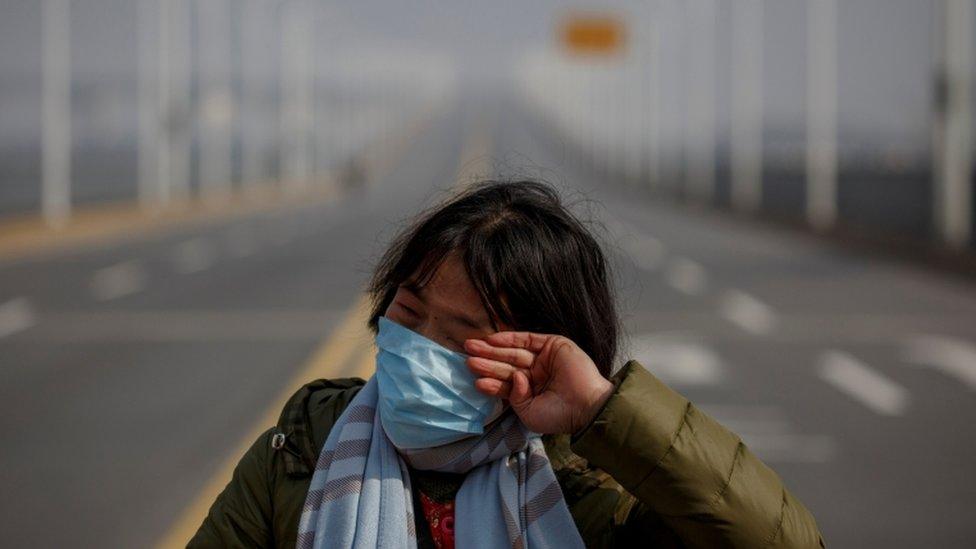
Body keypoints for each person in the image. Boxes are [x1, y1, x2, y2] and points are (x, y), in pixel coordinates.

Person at [188, 179, 825, 548]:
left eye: (464, 336)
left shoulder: (588, 494)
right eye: (408, 315)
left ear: (539, 357)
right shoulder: (301, 453)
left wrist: (604, 411)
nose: (418, 351)